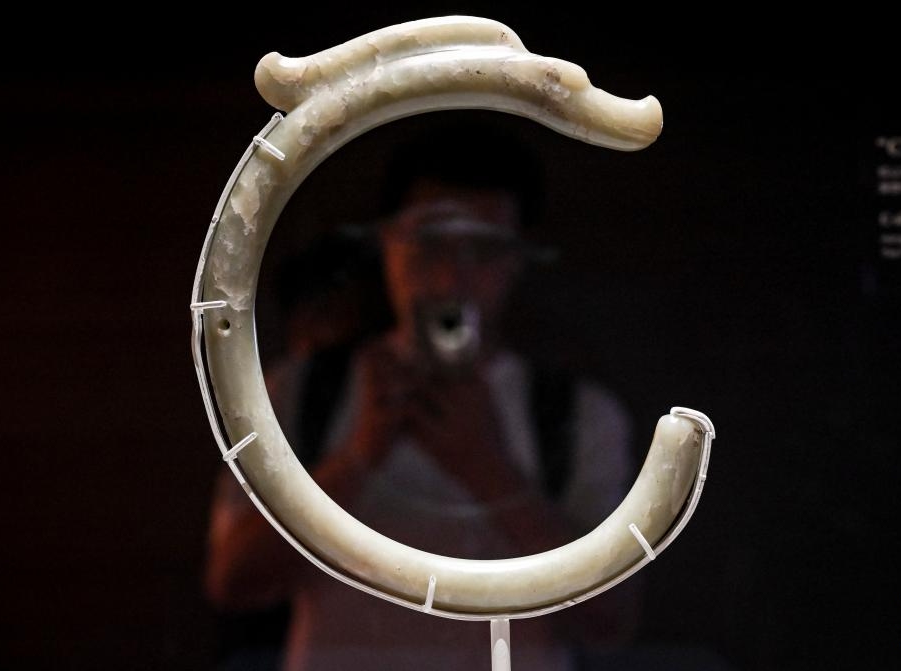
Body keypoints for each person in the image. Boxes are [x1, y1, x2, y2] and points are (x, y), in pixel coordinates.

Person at [204, 115, 644, 671]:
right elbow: (234, 581)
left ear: (516, 260)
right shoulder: (302, 391)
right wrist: (360, 454)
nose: (452, 278)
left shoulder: (578, 416)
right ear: (387, 243)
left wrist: (488, 469)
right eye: (430, 243)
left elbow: (611, 623)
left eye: (483, 251)